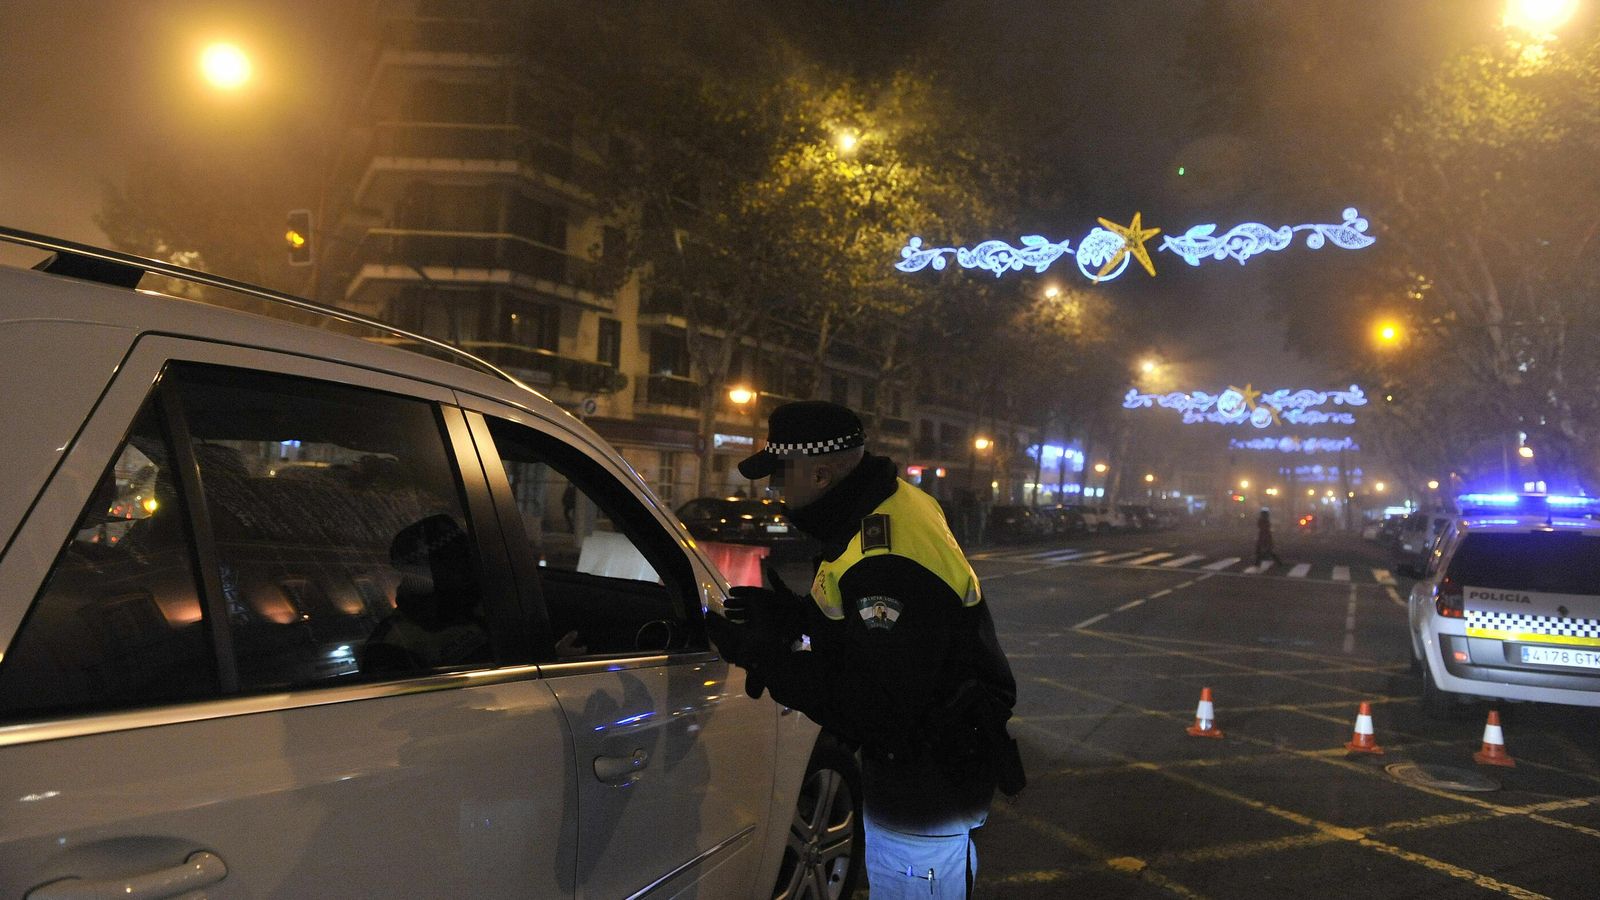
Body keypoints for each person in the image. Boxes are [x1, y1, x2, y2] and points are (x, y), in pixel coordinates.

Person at [704, 401, 1023, 899]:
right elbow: (858, 633)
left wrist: (768, 657)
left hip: (925, 782)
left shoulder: (885, 557)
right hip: (929, 763)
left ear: (823, 473)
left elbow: (876, 706)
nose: (775, 492)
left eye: (780, 478)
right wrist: (792, 618)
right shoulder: (886, 506)